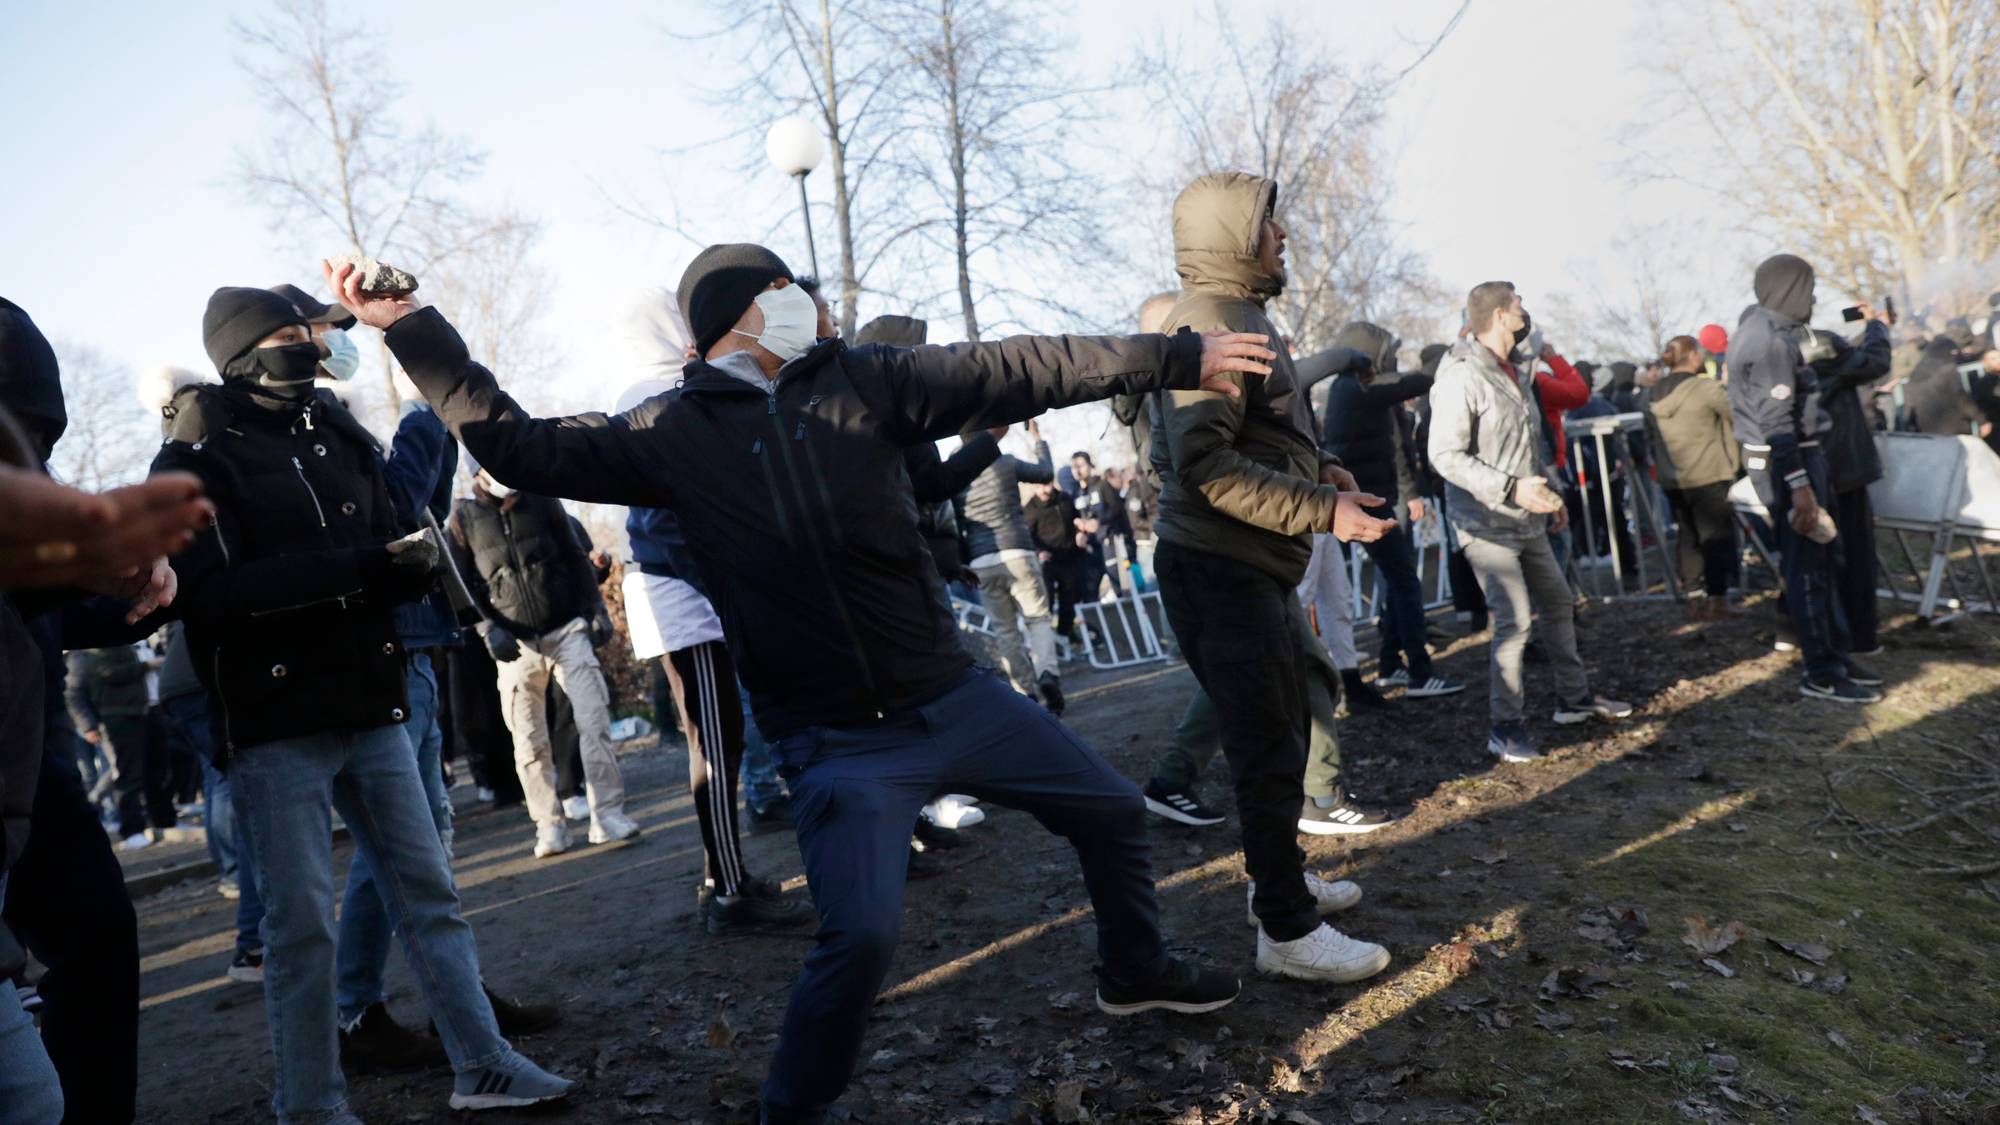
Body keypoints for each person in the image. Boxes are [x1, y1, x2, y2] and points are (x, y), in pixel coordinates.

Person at [334, 242, 1273, 1124]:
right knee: (860, 938)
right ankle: (791, 1106)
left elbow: (1021, 364)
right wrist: (410, 325)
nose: (815, 304)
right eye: (791, 289)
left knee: (1110, 808)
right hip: (835, 741)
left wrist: (1173, 354)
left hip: (950, 695)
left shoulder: (870, 381)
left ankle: (1134, 964)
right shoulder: (670, 432)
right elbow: (518, 443)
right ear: (748, 314)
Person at [152, 285, 573, 1119]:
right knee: (299, 928)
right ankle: (308, 1103)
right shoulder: (196, 456)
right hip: (274, 722)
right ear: (240, 349)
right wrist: (364, 571)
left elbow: (391, 518)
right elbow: (207, 594)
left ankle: (482, 1062)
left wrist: (408, 557)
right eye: (288, 335)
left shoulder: (337, 430)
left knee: (429, 894)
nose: (309, 347)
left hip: (371, 697)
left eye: (309, 333)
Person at [1148, 171, 1397, 985]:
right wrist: (1325, 514)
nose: (1283, 233)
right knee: (1264, 747)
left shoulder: (1246, 315)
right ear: (1232, 234)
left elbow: (1270, 434)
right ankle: (1286, 932)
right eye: (1269, 221)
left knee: (1285, 733)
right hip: (1219, 570)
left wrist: (1327, 474)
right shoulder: (1210, 321)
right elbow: (1206, 467)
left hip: (1250, 566)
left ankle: (1279, 885)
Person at [613, 291, 810, 934]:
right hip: (683, 592)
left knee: (719, 736)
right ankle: (727, 890)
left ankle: (721, 876)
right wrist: (728, 578)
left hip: (687, 588)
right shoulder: (657, 396)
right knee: (715, 739)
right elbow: (660, 522)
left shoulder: (648, 390)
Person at [1428, 281, 1635, 762]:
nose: (1527, 311)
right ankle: (1506, 727)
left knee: (1559, 603)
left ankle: (1575, 700)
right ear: (1501, 315)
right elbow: (1444, 456)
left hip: (1527, 516)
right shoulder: (1462, 376)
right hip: (1484, 521)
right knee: (1515, 622)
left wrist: (1551, 494)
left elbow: (1526, 446)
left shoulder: (1515, 371)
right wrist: (1509, 488)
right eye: (1519, 304)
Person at [448, 470, 638, 858]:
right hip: (514, 640)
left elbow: (573, 556)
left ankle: (608, 814)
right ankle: (549, 824)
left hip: (565, 629)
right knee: (528, 739)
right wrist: (487, 628)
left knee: (593, 720)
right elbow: (459, 584)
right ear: (476, 472)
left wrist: (597, 610)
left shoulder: (543, 500)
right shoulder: (463, 519)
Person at [1725, 255, 1881, 703]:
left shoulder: (1763, 331)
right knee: (1809, 566)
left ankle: (1834, 651)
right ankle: (1822, 672)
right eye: (1808, 288)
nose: (1813, 298)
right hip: (1788, 463)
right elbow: (1776, 423)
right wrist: (1799, 485)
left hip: (1801, 458)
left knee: (1826, 558)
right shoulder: (1769, 341)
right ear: (1790, 289)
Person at [1322, 321, 1464, 698]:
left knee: (1394, 580)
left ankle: (1389, 666)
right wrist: (1453, 354)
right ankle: (1420, 672)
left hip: (1369, 498)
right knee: (1403, 582)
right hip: (1368, 502)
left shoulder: (1348, 389)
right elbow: (1410, 384)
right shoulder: (1353, 389)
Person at [960, 417, 1066, 712]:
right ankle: (1047, 674)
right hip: (1017, 550)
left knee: (1005, 631)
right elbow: (1045, 473)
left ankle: (1026, 695)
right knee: (1037, 617)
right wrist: (1037, 439)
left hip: (980, 560)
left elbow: (955, 521)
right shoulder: (1004, 462)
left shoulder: (953, 471)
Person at [1806, 305, 1894, 656]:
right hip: (1842, 464)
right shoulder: (1823, 345)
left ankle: (1810, 632)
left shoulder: (1777, 343)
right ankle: (1860, 637)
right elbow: (1873, 362)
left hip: (1807, 464)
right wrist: (1877, 326)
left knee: (1814, 556)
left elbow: (1847, 362)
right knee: (1855, 555)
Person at [1644, 336, 1742, 617]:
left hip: (1673, 477)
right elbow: (1736, 414)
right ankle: (1718, 599)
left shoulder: (1651, 394)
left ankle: (1694, 597)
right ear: (1693, 356)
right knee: (1716, 537)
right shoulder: (1704, 388)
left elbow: (1650, 436)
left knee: (1687, 537)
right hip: (1710, 472)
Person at [64, 644, 175, 848]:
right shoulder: (94, 650)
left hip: (149, 711)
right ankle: (132, 830)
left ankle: (164, 821)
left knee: (157, 771)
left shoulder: (140, 645)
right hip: (118, 717)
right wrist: (88, 725)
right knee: (126, 775)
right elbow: (90, 682)